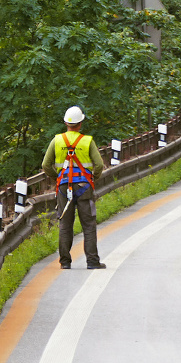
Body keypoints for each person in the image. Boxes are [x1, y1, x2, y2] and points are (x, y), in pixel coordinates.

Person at [41, 106, 106, 270]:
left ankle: (65, 262)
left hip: (63, 188)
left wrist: (58, 178)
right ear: (80, 123)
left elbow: (45, 165)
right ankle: (92, 262)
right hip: (84, 187)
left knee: (65, 224)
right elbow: (99, 165)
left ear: (65, 123)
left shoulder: (57, 140)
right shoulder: (87, 141)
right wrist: (92, 179)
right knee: (88, 225)